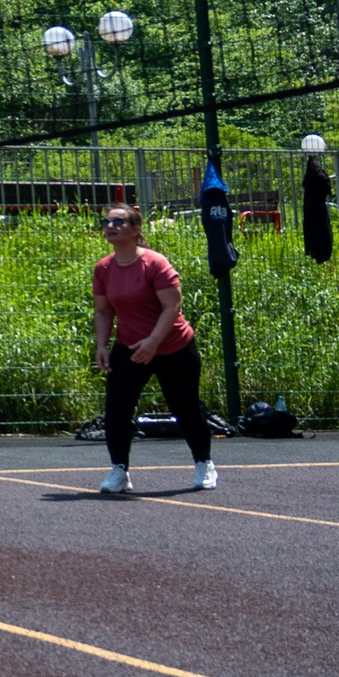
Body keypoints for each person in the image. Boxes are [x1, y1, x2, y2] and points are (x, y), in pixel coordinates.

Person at [93, 204, 218, 494]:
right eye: (107, 221)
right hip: (130, 347)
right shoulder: (104, 268)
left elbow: (172, 307)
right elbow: (103, 312)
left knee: (185, 409)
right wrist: (102, 345)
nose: (110, 225)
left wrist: (152, 342)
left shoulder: (155, 263)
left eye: (119, 221)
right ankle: (119, 471)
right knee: (117, 409)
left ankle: (204, 464)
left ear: (136, 230)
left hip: (173, 346)